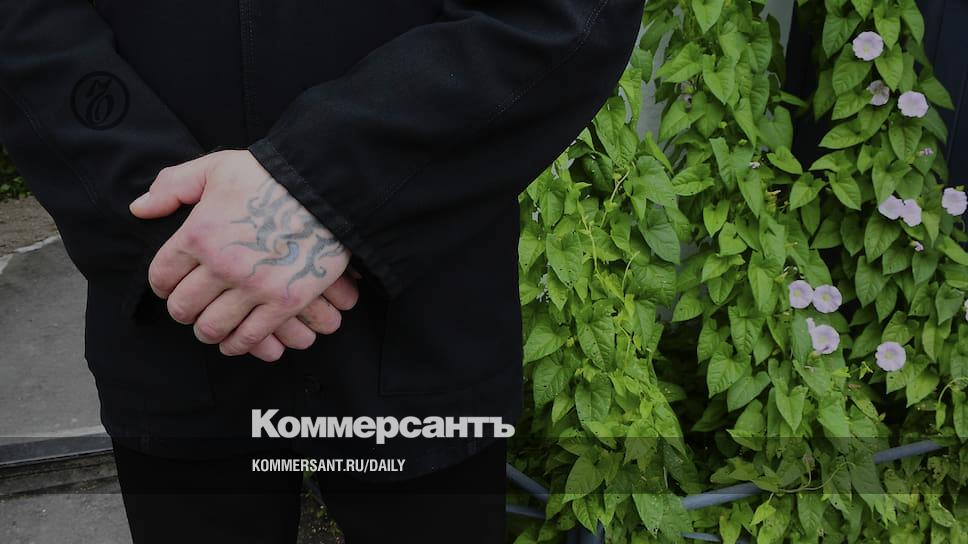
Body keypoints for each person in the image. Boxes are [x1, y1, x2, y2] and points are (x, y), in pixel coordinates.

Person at [0, 1, 642, 542]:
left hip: (417, 319)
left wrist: (321, 189)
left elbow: (562, 13)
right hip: (175, 314)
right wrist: (178, 223)